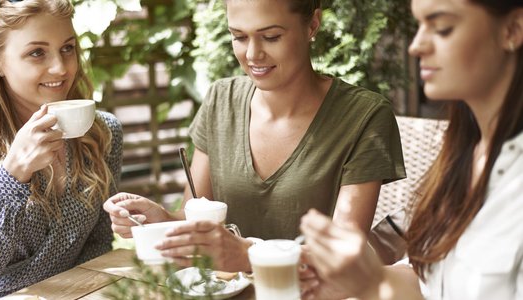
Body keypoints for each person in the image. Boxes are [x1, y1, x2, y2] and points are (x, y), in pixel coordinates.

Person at [104, 0, 405, 272]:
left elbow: (344, 255)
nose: (252, 54)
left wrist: (249, 254)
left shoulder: (364, 116)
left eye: (271, 37)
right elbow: (196, 216)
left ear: (312, 24)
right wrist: (162, 221)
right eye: (239, 36)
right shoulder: (221, 99)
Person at [300, 0, 523, 299]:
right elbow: (427, 283)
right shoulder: (463, 156)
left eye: (442, 28)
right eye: (419, 25)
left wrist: (373, 285)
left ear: (513, 29)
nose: (416, 46)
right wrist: (366, 279)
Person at [0, 0, 123, 298]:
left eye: (67, 48)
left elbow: (98, 246)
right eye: (37, 52)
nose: (61, 67)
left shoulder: (103, 133)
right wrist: (13, 175)